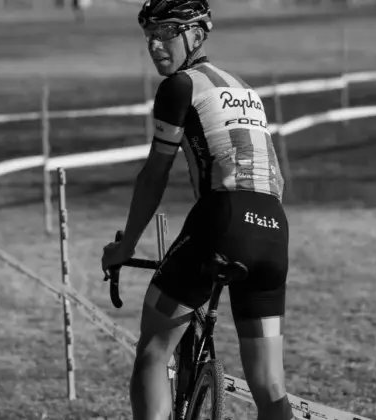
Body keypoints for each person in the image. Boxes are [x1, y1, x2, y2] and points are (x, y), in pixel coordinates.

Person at [100, 1, 295, 419]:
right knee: (271, 386)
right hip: (274, 227)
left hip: (222, 218)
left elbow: (155, 174)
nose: (155, 44)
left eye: (167, 32)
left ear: (197, 33)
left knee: (154, 348)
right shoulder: (243, 88)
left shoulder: (180, 86)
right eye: (149, 34)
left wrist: (126, 245)